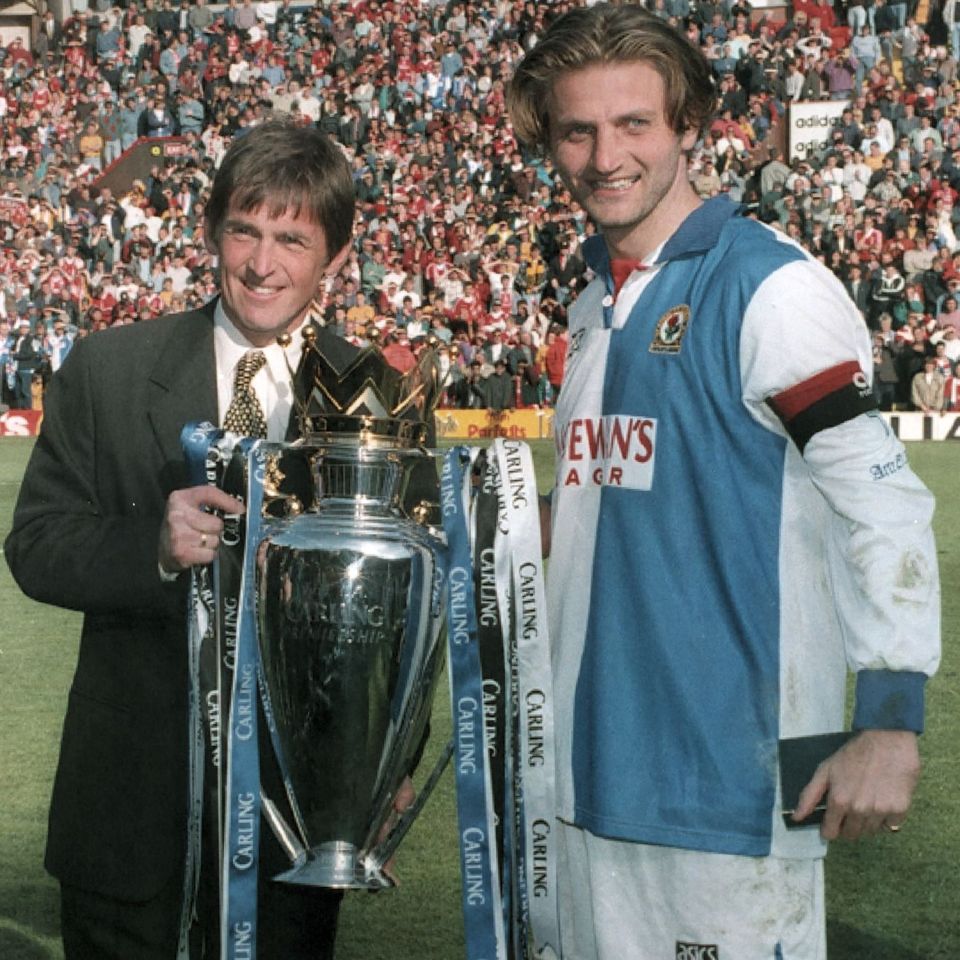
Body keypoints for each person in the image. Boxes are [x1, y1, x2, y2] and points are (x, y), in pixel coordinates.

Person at [506, 6, 941, 959]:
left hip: (725, 787)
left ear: (689, 128)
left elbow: (884, 502)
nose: (603, 155)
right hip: (584, 788)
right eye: (577, 130)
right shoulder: (593, 303)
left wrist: (891, 723)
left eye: (634, 125)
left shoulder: (770, 288)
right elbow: (618, 503)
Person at [4, 119, 412, 960]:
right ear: (210, 231)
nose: (263, 264)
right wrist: (150, 548)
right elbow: (37, 543)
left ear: (334, 256)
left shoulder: (381, 397)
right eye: (245, 232)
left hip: (298, 811)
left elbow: (413, 602)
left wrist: (393, 758)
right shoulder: (108, 368)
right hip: (131, 799)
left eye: (293, 240)